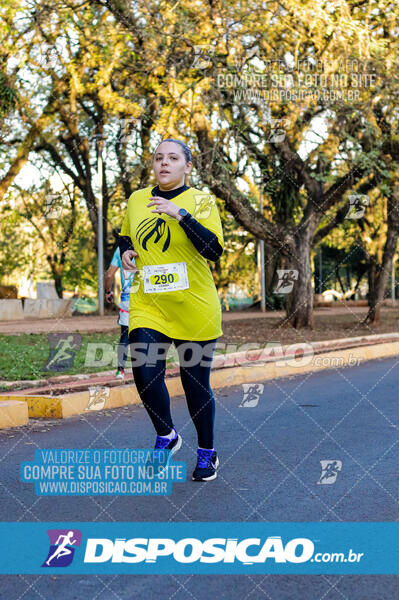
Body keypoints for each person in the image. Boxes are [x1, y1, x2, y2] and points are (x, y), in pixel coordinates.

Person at [119, 138, 224, 482]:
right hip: (149, 304)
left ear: (187, 166)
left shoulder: (202, 201)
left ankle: (207, 452)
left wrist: (179, 214)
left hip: (195, 307)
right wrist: (127, 252)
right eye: (159, 158)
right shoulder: (137, 200)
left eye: (173, 158)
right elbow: (125, 236)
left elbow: (213, 249)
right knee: (145, 373)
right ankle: (167, 435)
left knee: (196, 386)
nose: (164, 163)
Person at [105, 246, 136, 380]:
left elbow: (109, 274)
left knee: (125, 335)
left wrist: (108, 291)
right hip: (149, 298)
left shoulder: (120, 249)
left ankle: (120, 371)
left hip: (128, 298)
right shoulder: (150, 243)